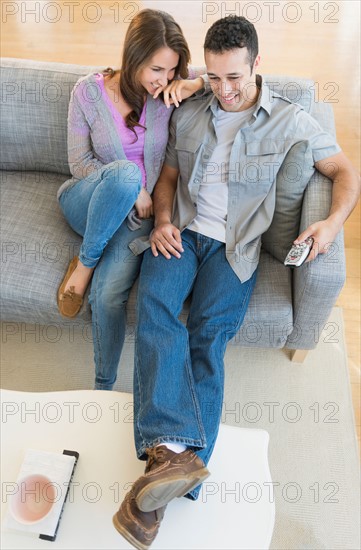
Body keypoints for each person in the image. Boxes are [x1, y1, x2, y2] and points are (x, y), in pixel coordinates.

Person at [112, 14, 360, 550]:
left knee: (209, 333)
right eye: (215, 77)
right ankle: (173, 461)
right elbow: (170, 177)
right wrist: (161, 221)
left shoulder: (291, 120)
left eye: (236, 79)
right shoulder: (191, 106)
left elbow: (347, 171)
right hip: (181, 230)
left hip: (235, 249)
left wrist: (330, 223)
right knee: (155, 307)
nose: (225, 91)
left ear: (256, 67)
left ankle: (167, 468)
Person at [57, 9, 206, 390]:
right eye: (157, 69)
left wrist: (194, 84)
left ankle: (102, 388)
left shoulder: (168, 89)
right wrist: (134, 188)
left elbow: (238, 80)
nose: (165, 80)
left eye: (172, 71)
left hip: (133, 220)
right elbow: (79, 162)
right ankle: (85, 264)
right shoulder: (88, 93)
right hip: (88, 201)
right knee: (125, 175)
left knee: (107, 296)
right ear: (134, 57)